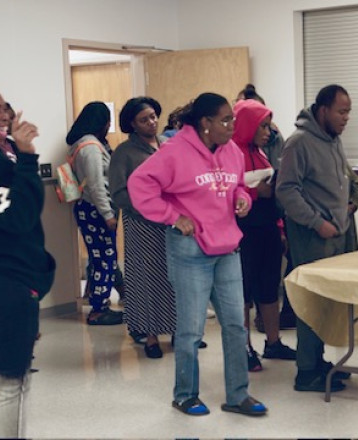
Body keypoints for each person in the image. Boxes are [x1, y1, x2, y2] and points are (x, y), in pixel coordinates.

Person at [128, 92, 267, 417]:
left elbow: (237, 185)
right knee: (191, 330)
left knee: (235, 326)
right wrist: (172, 216)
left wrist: (242, 198)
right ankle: (185, 395)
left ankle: (238, 395)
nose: (232, 126)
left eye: (232, 119)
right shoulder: (175, 151)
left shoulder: (232, 151)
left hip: (227, 248)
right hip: (190, 249)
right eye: (225, 120)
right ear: (205, 123)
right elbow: (139, 184)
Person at [276, 84, 354, 393]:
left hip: (337, 232)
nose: (346, 118)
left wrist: (346, 207)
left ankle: (318, 360)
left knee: (327, 303)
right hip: (312, 235)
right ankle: (306, 371)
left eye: (348, 112)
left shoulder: (334, 140)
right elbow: (286, 190)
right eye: (341, 111)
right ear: (323, 111)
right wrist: (316, 222)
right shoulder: (299, 143)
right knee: (311, 301)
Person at [0, 95, 56, 437]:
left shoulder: (7, 156)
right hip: (9, 282)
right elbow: (20, 218)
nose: (5, 114)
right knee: (10, 382)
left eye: (4, 106)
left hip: (17, 282)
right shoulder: (11, 160)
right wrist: (28, 157)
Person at [232, 99, 296, 372]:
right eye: (263, 126)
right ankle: (244, 348)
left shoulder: (260, 152)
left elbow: (273, 194)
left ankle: (273, 342)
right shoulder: (230, 152)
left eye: (269, 127)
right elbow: (227, 192)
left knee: (270, 287)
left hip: (267, 226)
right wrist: (256, 192)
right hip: (242, 230)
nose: (269, 132)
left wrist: (280, 229)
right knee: (243, 292)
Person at [109, 96, 176, 358]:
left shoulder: (168, 144)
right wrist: (148, 205)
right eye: (144, 119)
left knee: (175, 279)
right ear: (133, 124)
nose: (151, 122)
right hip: (142, 225)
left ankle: (179, 332)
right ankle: (150, 337)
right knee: (148, 280)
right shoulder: (124, 153)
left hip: (172, 221)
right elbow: (118, 194)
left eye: (153, 116)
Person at [66, 102, 123, 325]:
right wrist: (108, 214)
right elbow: (96, 185)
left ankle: (99, 301)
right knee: (104, 260)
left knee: (101, 258)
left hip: (89, 209)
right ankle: (99, 309)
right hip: (95, 210)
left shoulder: (84, 143)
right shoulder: (90, 147)